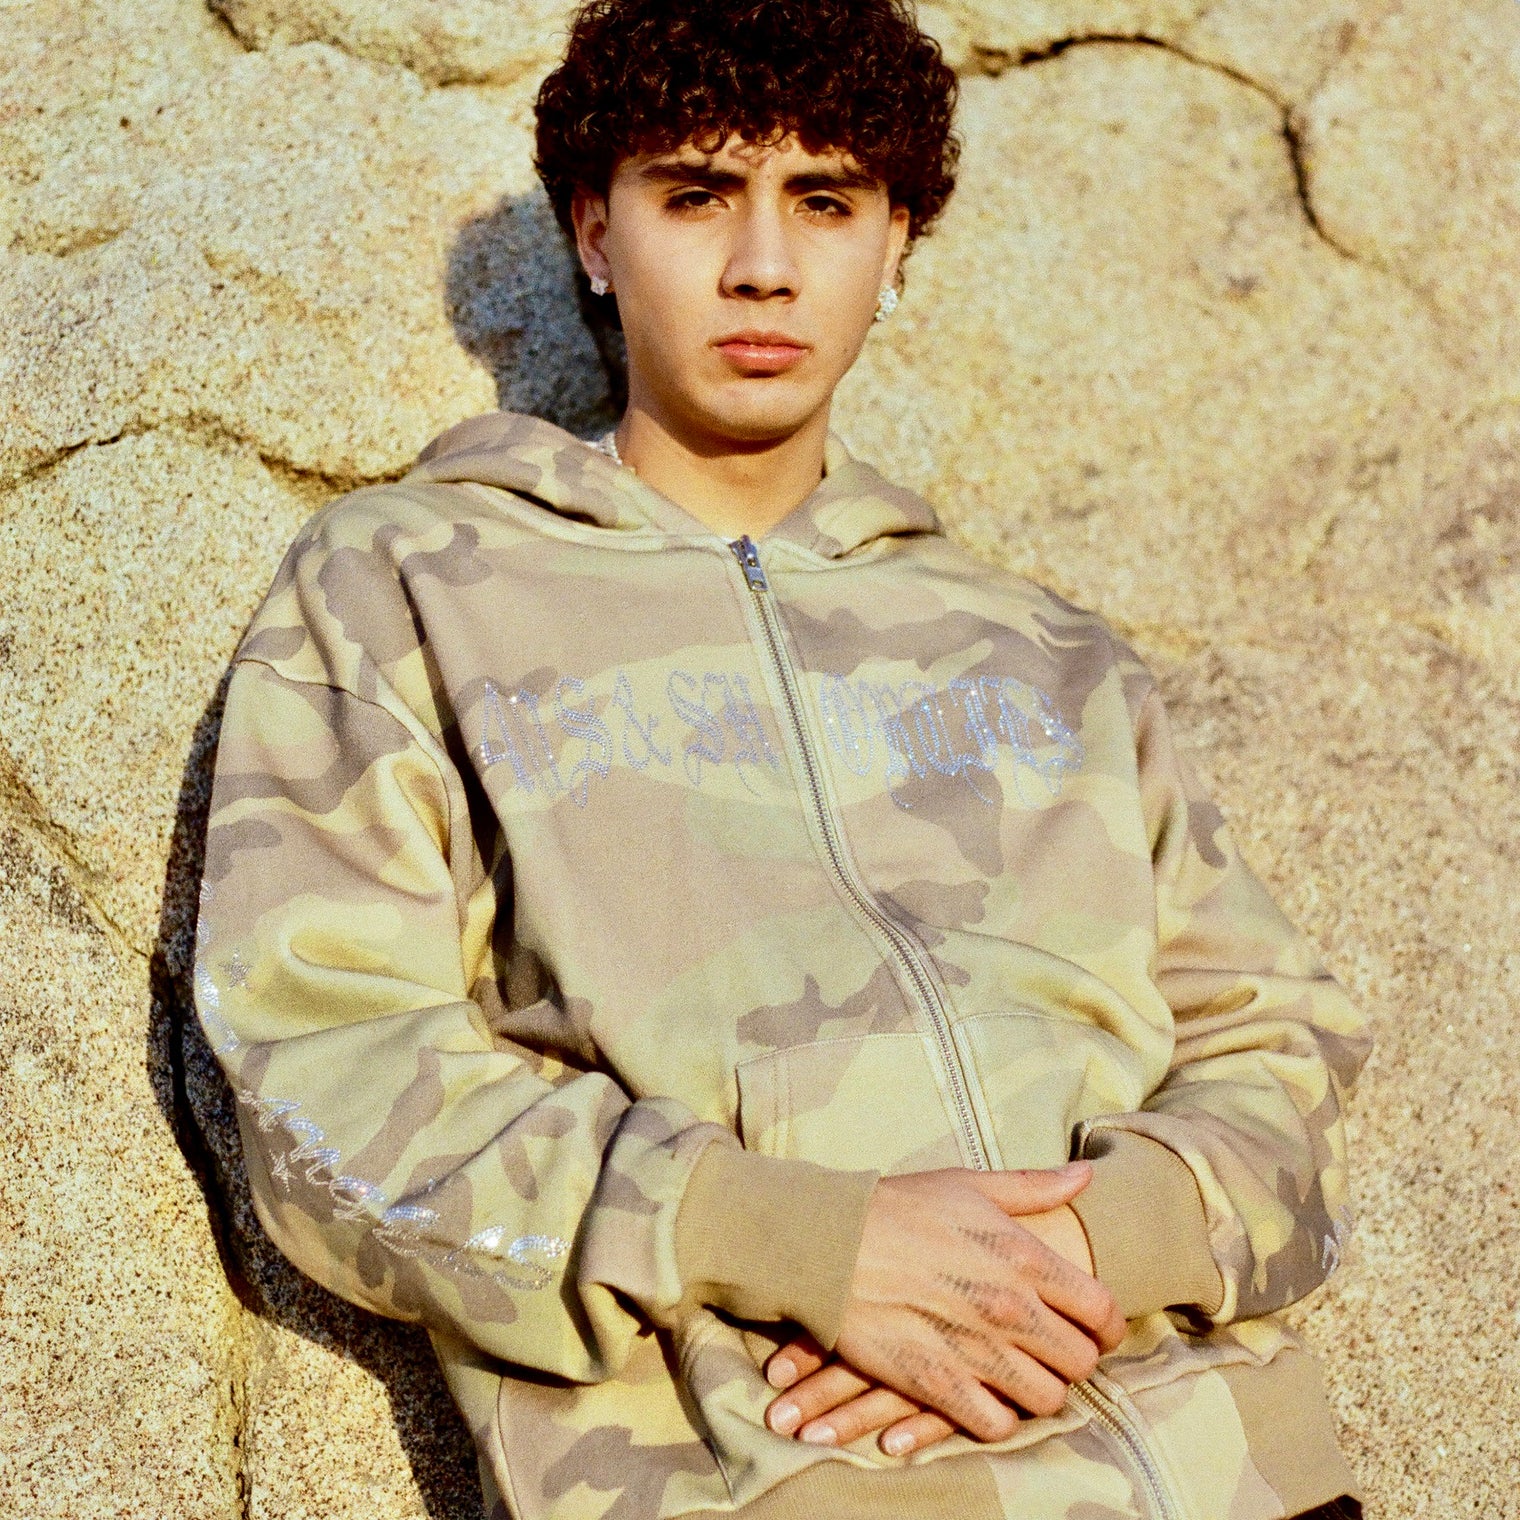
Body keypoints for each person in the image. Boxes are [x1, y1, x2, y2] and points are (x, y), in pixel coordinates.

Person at [192, 1, 1372, 1516]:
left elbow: (1278, 1043)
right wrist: (790, 1239)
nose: (763, 264)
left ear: (896, 248)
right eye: (697, 195)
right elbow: (322, 1075)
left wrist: (1094, 1242)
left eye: (825, 201)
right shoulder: (407, 585)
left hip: (1236, 1480)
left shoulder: (1042, 650)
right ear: (597, 236)